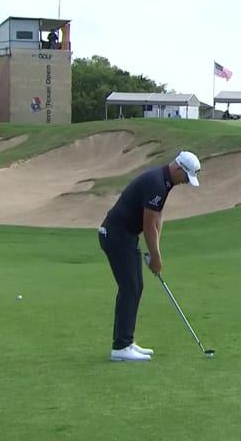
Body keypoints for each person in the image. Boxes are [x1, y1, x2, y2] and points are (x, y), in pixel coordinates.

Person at [97, 150, 201, 361]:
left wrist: (156, 251)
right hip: (116, 236)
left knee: (135, 286)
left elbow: (157, 218)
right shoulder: (157, 183)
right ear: (178, 168)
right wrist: (155, 257)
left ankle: (126, 342)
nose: (186, 182)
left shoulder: (165, 182)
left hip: (126, 237)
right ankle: (120, 348)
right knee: (130, 287)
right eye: (186, 177)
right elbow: (148, 225)